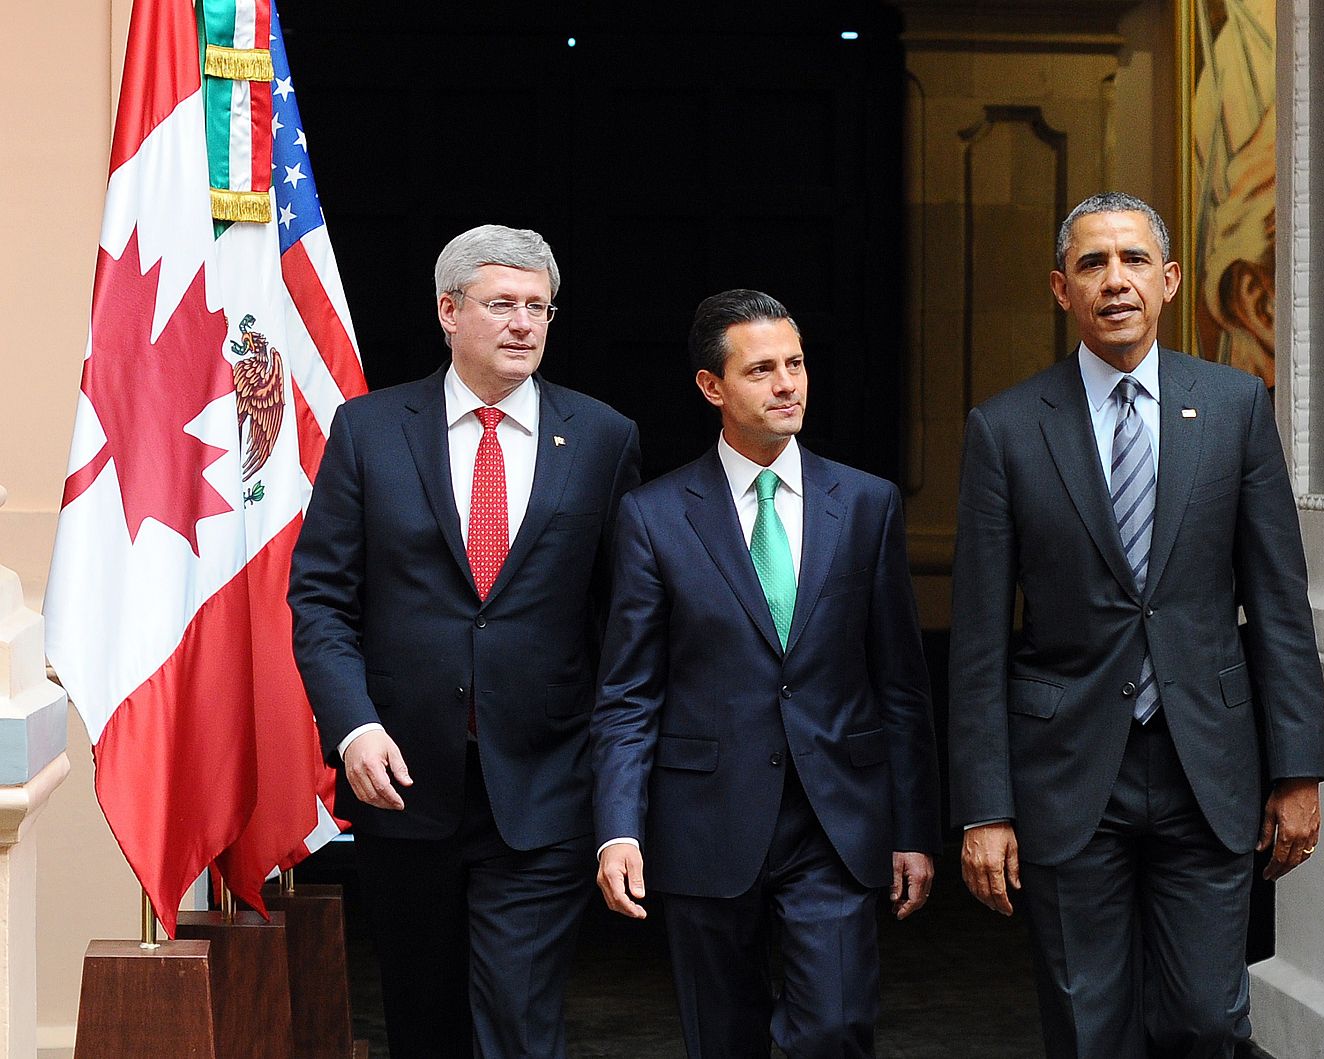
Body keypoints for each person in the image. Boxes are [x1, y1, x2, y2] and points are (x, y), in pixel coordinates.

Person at [948, 192, 1324, 1058]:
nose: (1113, 280)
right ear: (1060, 289)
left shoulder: (1236, 405)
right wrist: (983, 807)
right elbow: (975, 638)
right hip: (1069, 775)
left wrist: (1299, 769)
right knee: (1091, 1029)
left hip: (1210, 766)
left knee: (1206, 1018)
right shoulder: (1005, 429)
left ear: (1169, 280)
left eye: (1130, 261)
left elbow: (1278, 597)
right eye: (1091, 264)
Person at [289, 225, 640, 1059]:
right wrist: (354, 724)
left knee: (519, 1023)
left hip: (544, 784)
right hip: (403, 784)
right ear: (449, 311)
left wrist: (616, 772)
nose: (523, 323)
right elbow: (322, 598)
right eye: (501, 304)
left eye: (537, 307)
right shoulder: (369, 430)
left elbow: (624, 615)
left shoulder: (601, 437)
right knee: (424, 1022)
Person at [590, 289, 941, 1058]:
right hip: (703, 818)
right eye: (762, 370)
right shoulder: (653, 516)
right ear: (713, 387)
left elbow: (902, 683)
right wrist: (618, 827)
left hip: (835, 817)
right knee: (724, 1038)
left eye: (796, 363)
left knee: (836, 1026)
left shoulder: (869, 503)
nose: (788, 383)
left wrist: (914, 828)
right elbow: (627, 693)